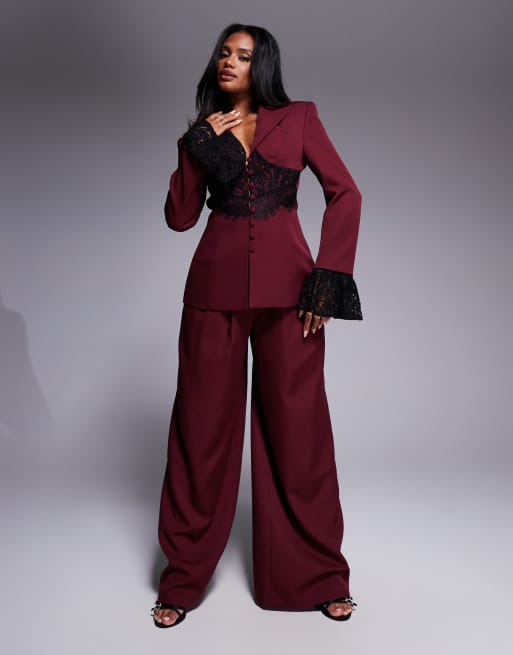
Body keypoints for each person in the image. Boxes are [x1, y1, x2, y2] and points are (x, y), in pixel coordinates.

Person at [150, 23, 362, 628]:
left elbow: (346, 193)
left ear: (261, 64)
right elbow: (179, 218)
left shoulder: (299, 118)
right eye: (224, 53)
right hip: (212, 293)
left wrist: (329, 278)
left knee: (300, 432)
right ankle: (182, 578)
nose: (229, 62)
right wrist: (195, 146)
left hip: (291, 296)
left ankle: (319, 576)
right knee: (200, 431)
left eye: (243, 55)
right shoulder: (203, 131)